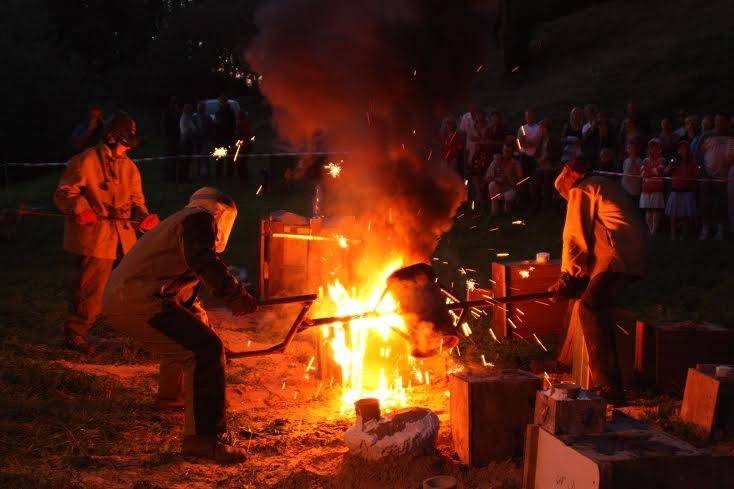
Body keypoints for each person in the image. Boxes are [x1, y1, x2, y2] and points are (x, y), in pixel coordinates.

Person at [102, 187, 257, 463]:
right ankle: (204, 440)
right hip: (138, 298)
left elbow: (187, 299)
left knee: (195, 338)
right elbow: (205, 261)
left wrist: (206, 329)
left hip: (126, 296)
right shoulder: (199, 220)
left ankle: (171, 397)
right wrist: (236, 295)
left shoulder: (180, 225)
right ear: (221, 213)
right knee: (204, 351)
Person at [55, 113, 160, 355]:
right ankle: (75, 335)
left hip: (125, 239)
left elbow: (137, 203)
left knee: (132, 287)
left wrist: (144, 217)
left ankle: (134, 333)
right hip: (97, 238)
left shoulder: (130, 169)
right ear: (112, 137)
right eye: (125, 141)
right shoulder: (86, 161)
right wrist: (81, 208)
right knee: (91, 290)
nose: (127, 147)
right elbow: (64, 193)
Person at [550, 156, 650, 401]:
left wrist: (567, 277)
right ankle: (563, 361)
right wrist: (577, 279)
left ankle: (609, 389)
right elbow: (598, 235)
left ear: (569, 175)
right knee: (584, 297)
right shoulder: (603, 185)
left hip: (620, 256)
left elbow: (574, 237)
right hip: (632, 252)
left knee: (590, 308)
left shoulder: (582, 189)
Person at [697, 112, 734, 240]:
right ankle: (705, 229)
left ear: (727, 122)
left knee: (722, 204)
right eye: (717, 120)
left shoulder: (731, 136)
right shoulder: (706, 136)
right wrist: (702, 170)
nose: (719, 123)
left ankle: (721, 229)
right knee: (706, 203)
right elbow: (699, 153)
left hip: (725, 176)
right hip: (707, 175)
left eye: (722, 121)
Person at [664, 140, 698, 240]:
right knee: (673, 215)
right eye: (680, 148)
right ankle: (673, 235)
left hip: (687, 191)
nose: (682, 150)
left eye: (684, 148)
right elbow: (665, 172)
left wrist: (697, 173)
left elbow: (695, 175)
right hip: (676, 190)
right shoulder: (674, 162)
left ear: (688, 150)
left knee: (686, 215)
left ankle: (684, 235)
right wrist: (670, 167)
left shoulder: (692, 162)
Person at [484, 144, 523, 216]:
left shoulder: (515, 163)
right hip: (499, 188)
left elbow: (521, 180)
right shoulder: (496, 161)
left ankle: (508, 209)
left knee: (508, 198)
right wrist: (497, 179)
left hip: (511, 188)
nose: (505, 153)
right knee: (492, 185)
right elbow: (487, 178)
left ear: (512, 152)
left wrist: (511, 182)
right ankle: (495, 211)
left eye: (508, 151)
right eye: (504, 150)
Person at [639, 139, 666, 235]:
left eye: (655, 146)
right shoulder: (645, 160)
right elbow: (642, 173)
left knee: (655, 209)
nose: (653, 149)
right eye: (651, 147)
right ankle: (650, 230)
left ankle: (654, 231)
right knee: (648, 209)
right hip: (646, 189)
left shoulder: (661, 160)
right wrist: (651, 172)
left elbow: (658, 171)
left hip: (656, 188)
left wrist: (649, 172)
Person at [518, 108, 542, 208]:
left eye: (531, 116)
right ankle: (525, 204)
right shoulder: (522, 128)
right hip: (524, 158)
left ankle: (535, 204)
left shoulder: (539, 128)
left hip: (535, 158)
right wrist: (527, 143)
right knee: (524, 181)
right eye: (527, 116)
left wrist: (527, 142)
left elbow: (538, 142)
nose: (529, 118)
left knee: (534, 182)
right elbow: (521, 143)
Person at [536, 119, 560, 211]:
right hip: (540, 167)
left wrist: (547, 157)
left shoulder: (553, 139)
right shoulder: (541, 140)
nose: (539, 130)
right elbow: (537, 153)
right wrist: (538, 159)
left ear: (545, 128)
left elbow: (557, 153)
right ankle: (537, 206)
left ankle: (547, 207)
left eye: (541, 128)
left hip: (551, 167)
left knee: (547, 185)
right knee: (535, 184)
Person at [214, 96, 236, 178]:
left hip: (228, 137)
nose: (220, 103)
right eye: (220, 102)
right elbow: (216, 124)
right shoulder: (219, 112)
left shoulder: (230, 112)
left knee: (229, 158)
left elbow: (232, 125)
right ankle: (219, 175)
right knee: (220, 158)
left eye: (222, 101)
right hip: (220, 138)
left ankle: (229, 175)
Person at [161, 96, 182, 181]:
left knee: (174, 157)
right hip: (171, 137)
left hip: (175, 137)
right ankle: (169, 175)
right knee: (170, 157)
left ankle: (173, 175)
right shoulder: (168, 113)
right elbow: (165, 125)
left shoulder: (176, 112)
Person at [179, 103, 197, 182]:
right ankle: (185, 177)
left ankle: (184, 176)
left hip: (184, 139)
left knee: (185, 159)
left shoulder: (183, 117)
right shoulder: (186, 118)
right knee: (187, 159)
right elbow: (194, 128)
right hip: (187, 139)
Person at [235, 109, 252, 183]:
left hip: (242, 146)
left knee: (240, 163)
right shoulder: (246, 123)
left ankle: (244, 179)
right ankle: (244, 178)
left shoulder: (241, 124)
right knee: (242, 163)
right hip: (245, 145)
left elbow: (240, 134)